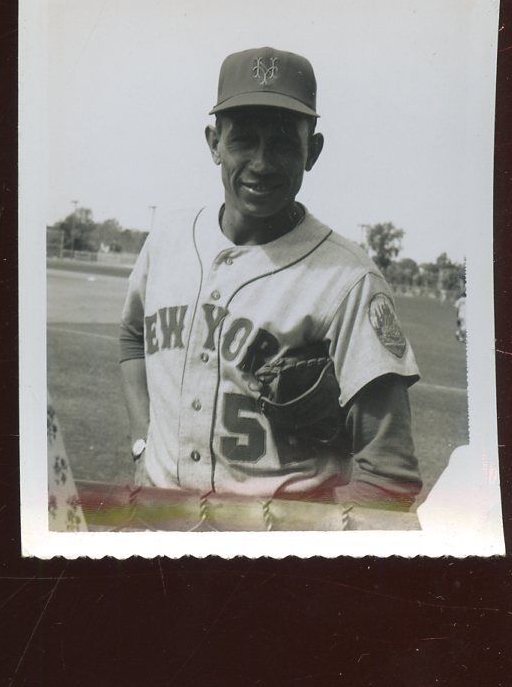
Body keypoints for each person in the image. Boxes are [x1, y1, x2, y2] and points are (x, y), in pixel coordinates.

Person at [119, 46, 422, 510]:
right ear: (213, 143)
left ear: (312, 151)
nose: (261, 163)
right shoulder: (167, 240)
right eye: (243, 140)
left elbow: (390, 476)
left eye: (283, 143)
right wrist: (142, 443)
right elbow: (132, 336)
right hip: (162, 529)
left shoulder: (349, 279)